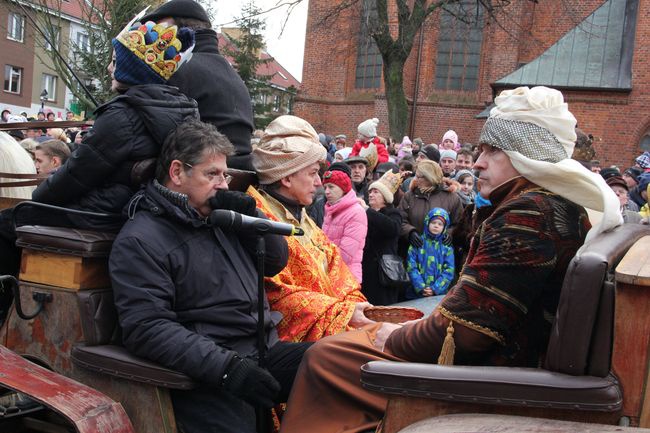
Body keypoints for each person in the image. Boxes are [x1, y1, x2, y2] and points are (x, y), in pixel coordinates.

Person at [278, 86, 622, 433]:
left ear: (526, 156)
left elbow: (468, 333)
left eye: (493, 151)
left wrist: (393, 336)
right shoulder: (548, 205)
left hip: (492, 382)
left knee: (326, 357)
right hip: (505, 368)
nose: (477, 162)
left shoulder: (528, 214)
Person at [110, 120, 308, 433]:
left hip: (262, 350)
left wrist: (251, 216)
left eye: (225, 174)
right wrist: (228, 369)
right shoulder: (140, 239)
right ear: (177, 173)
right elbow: (147, 327)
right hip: (206, 372)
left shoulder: (219, 217)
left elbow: (274, 261)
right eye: (211, 174)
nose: (223, 185)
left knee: (339, 365)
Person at [247, 115, 372, 343]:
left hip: (334, 331)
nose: (319, 183)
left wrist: (357, 307)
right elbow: (275, 296)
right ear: (286, 177)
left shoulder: (301, 213)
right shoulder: (259, 217)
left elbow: (336, 268)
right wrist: (343, 314)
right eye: (313, 173)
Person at [142, 0, 256, 171]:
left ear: (177, 30)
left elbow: (144, 136)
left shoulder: (177, 69)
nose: (154, 35)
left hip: (199, 177)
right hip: (232, 176)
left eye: (160, 28)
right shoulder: (231, 74)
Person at [398, 159, 463, 250]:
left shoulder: (452, 198)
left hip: (440, 254)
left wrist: (449, 234)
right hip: (413, 253)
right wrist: (410, 232)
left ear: (429, 178)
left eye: (418, 177)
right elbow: (400, 220)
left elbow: (459, 224)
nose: (415, 180)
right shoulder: (409, 196)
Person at [359, 170, 403, 305]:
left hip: (385, 273)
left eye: (376, 192)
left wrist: (368, 210)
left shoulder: (393, 213)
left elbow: (392, 229)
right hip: (366, 271)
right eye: (370, 192)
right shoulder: (364, 213)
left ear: (385, 196)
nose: (371, 194)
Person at [322, 169, 367, 282]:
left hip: (346, 277)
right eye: (325, 187)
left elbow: (346, 254)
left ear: (343, 189)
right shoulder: (331, 210)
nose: (327, 191)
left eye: (331, 187)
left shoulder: (356, 212)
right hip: (330, 274)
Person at [405, 207, 455, 299]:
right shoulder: (418, 243)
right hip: (417, 293)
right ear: (427, 223)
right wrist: (421, 286)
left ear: (444, 227)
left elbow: (449, 270)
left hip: (438, 295)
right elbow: (411, 267)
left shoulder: (446, 247)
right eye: (433, 222)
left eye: (440, 224)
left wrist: (435, 289)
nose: (436, 226)